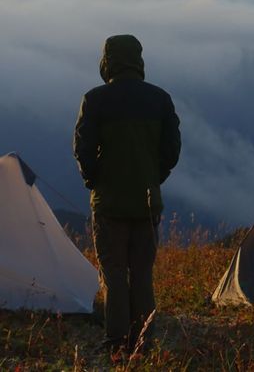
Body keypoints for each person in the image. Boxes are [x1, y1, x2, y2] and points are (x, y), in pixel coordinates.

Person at [73, 35, 181, 356]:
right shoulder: (160, 99)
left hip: (109, 203)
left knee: (114, 273)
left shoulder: (95, 100)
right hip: (147, 202)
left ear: (107, 61)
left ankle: (117, 341)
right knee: (142, 272)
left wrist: (95, 180)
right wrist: (153, 178)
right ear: (138, 59)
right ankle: (143, 340)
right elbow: (171, 151)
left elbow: (83, 149)